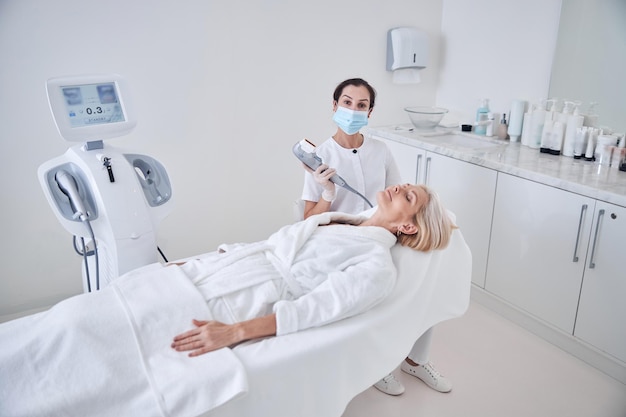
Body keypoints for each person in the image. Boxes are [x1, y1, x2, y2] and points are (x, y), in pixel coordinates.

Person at [0, 183, 454, 417]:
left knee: (87, 336)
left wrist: (234, 332)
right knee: (74, 316)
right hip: (206, 275)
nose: (398, 188)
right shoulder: (341, 221)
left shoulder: (376, 268)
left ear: (408, 226)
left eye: (408, 195)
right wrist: (193, 263)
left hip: (232, 302)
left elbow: (314, 310)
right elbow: (266, 245)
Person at [300, 78, 454, 396]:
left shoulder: (380, 151)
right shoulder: (321, 156)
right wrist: (327, 192)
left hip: (385, 232)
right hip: (348, 238)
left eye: (361, 105)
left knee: (427, 277)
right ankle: (377, 364)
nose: (353, 110)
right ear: (334, 106)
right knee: (379, 289)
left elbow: (402, 194)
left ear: (370, 112)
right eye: (347, 102)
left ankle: (416, 359)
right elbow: (307, 220)